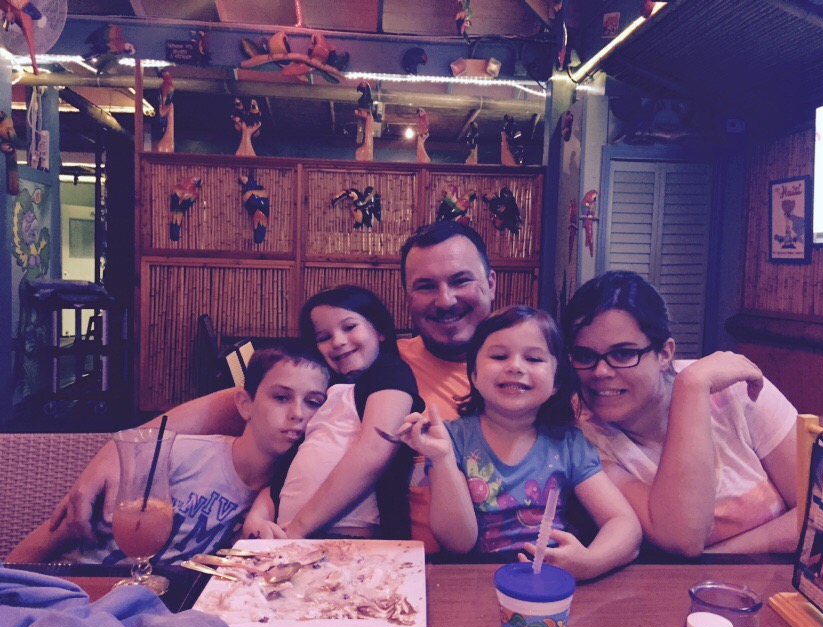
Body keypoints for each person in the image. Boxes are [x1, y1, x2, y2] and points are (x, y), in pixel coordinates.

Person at [49, 221, 496, 548]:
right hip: (365, 557)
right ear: (407, 297)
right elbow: (234, 403)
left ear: (491, 284)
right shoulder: (377, 364)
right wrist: (120, 451)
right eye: (425, 286)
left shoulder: (518, 379)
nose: (445, 300)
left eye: (461, 280)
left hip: (468, 563)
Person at [7, 344, 329, 564]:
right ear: (245, 404)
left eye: (314, 403)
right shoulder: (178, 455)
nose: (298, 414)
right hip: (87, 586)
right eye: (281, 397)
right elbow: (60, 531)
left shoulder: (284, 495)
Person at [561, 271, 798, 556]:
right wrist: (691, 389)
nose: (600, 372)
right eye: (585, 356)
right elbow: (682, 537)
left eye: (623, 354)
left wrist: (717, 559)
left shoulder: (732, 387)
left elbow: (822, 515)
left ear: (664, 354)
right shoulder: (580, 438)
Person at [399, 306, 641, 580]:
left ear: (556, 382)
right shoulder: (450, 439)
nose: (515, 366)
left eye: (534, 359)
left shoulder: (568, 444)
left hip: (547, 582)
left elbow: (624, 524)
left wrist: (591, 562)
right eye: (499, 356)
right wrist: (442, 458)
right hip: (474, 583)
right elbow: (458, 544)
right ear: (474, 374)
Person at [243, 285, 424, 540]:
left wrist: (299, 528)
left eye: (349, 327)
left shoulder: (390, 372)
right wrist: (259, 515)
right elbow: (290, 469)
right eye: (323, 337)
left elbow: (375, 450)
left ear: (380, 330)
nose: (337, 341)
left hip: (359, 541)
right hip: (292, 538)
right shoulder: (324, 397)